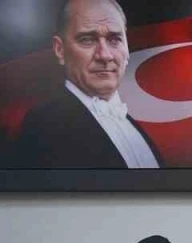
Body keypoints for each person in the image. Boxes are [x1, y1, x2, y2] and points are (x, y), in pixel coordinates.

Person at [9, 0, 161, 169]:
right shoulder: (43, 125)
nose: (105, 55)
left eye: (114, 39)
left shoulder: (131, 124)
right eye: (88, 40)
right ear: (60, 50)